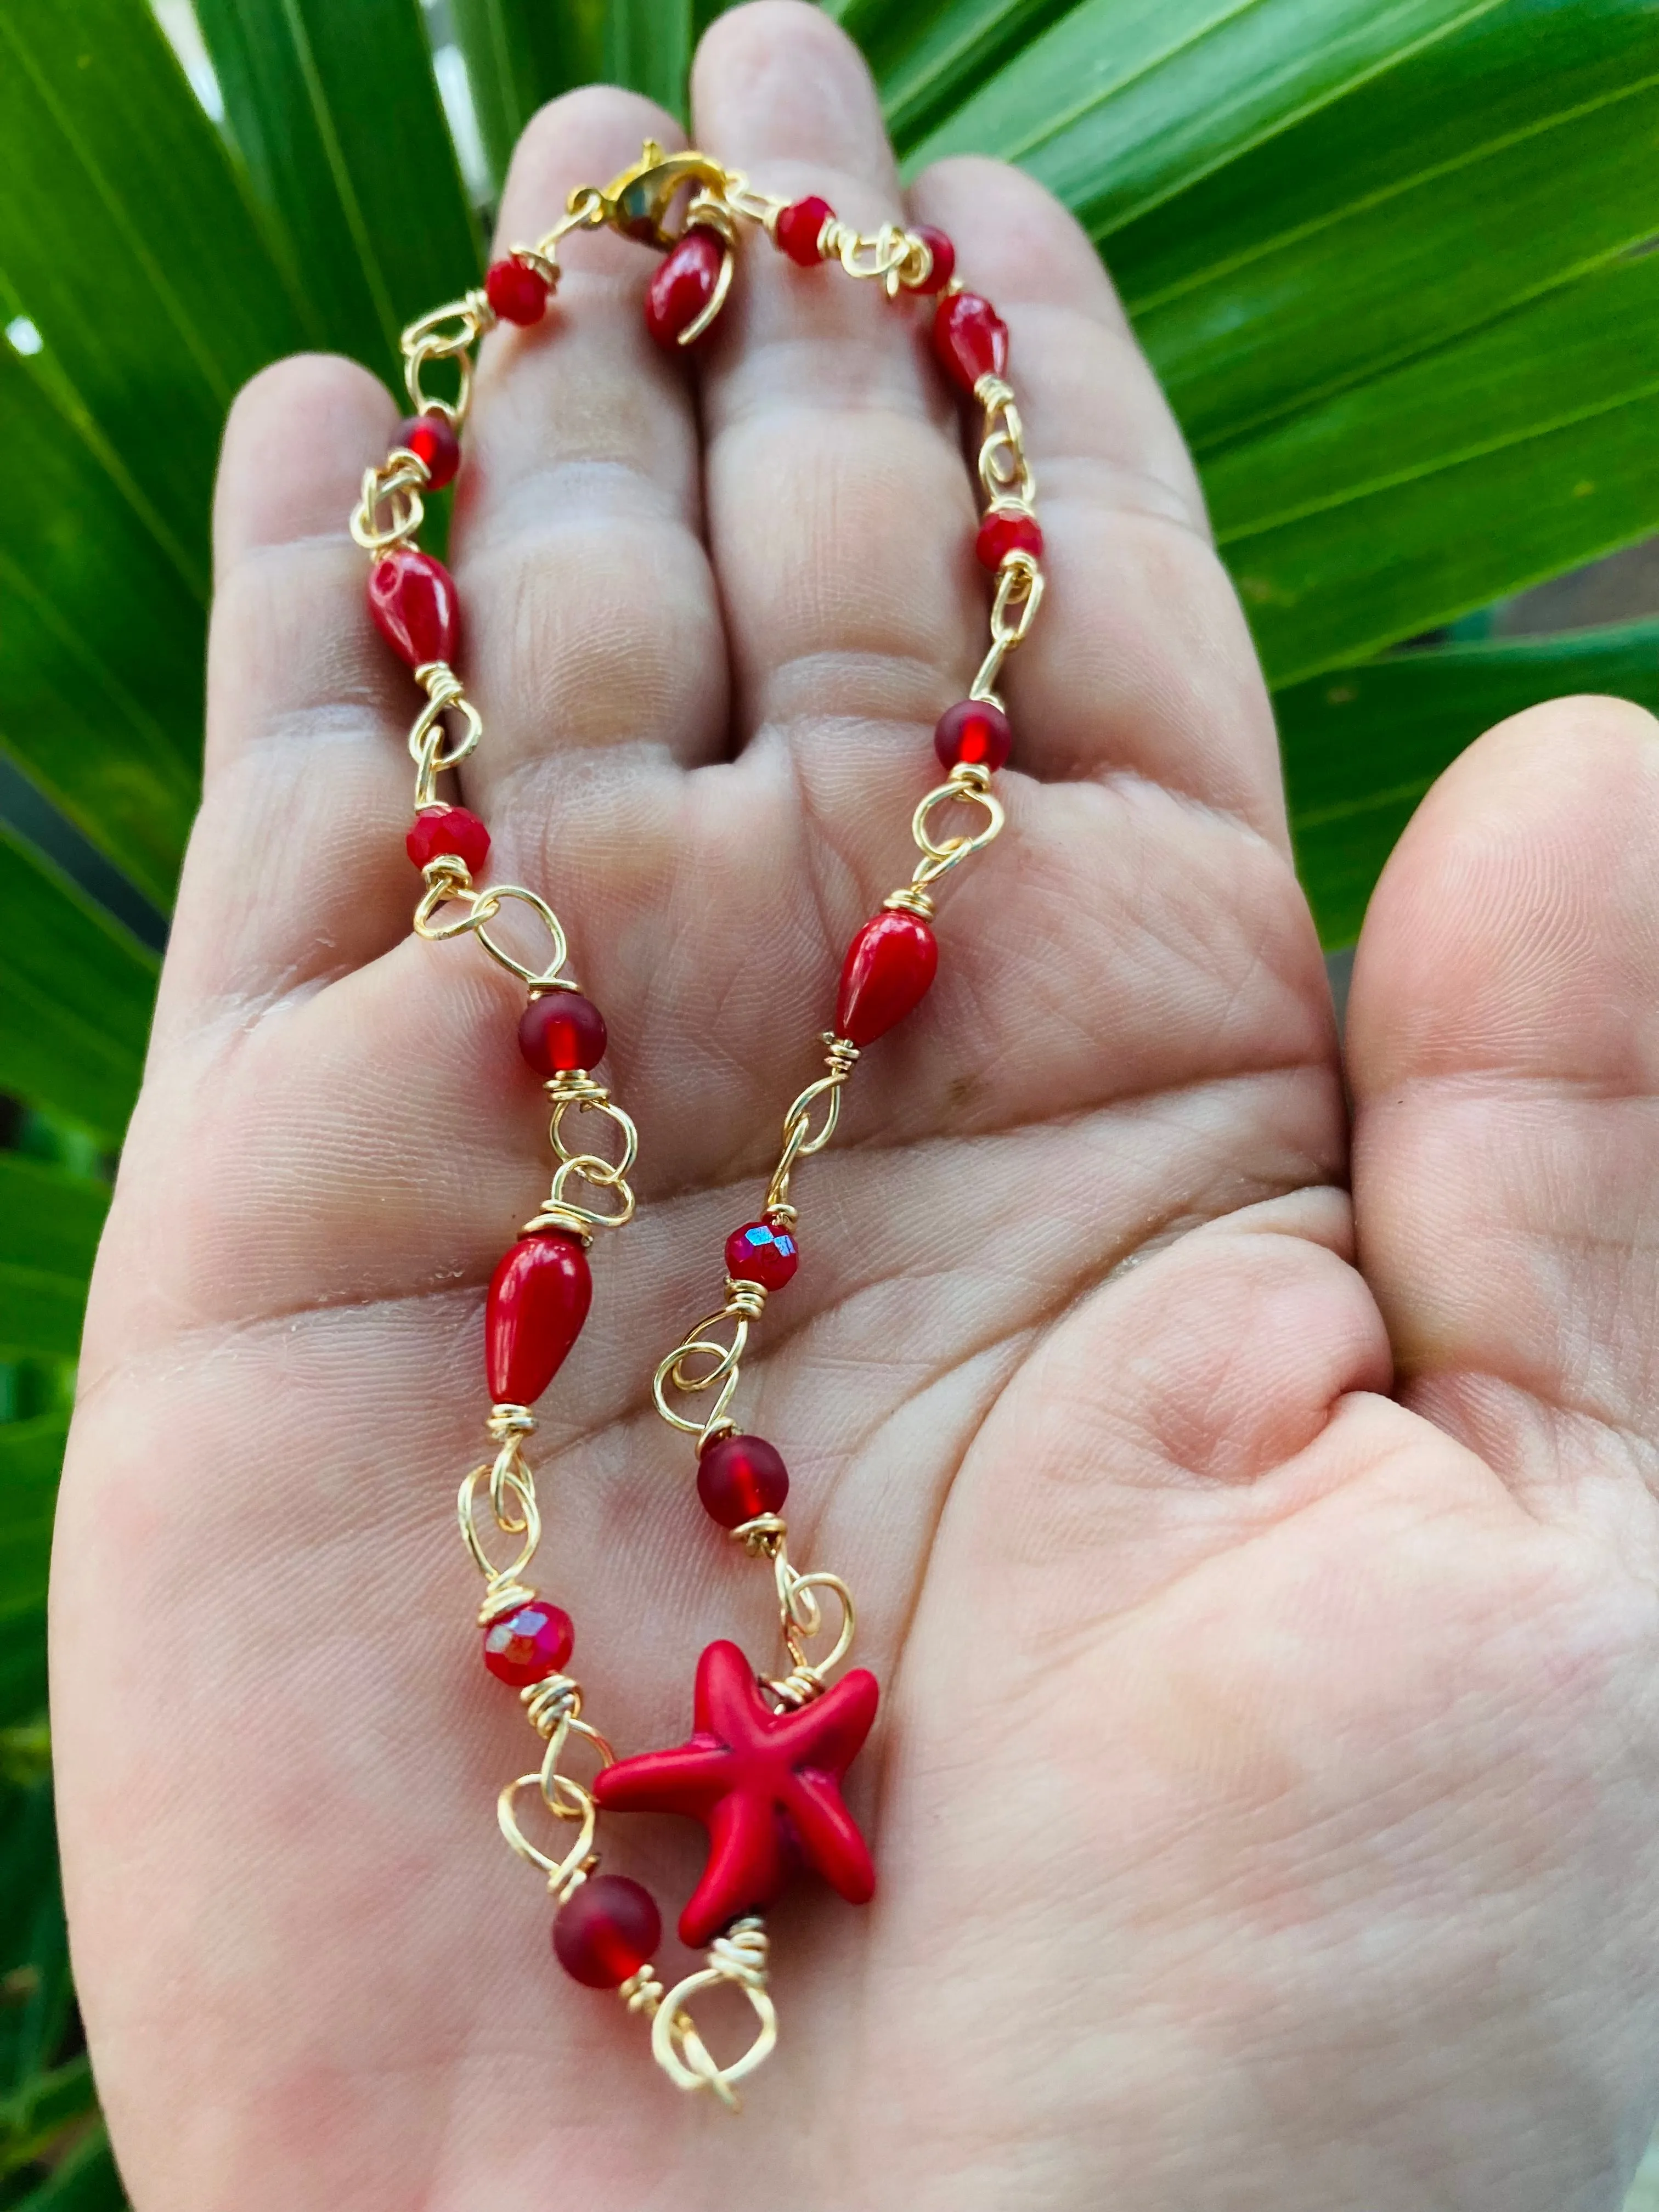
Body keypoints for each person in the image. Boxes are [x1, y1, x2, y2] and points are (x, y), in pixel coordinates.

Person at [48, 4, 1659, 2204]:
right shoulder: (750, 1755)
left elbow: (753, 1741)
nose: (775, 1752)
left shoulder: (766, 1755)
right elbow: (736, 1741)